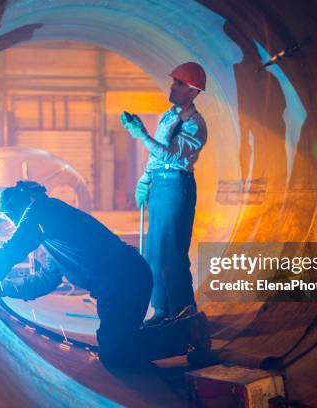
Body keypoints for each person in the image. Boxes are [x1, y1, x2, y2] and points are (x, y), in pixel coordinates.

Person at [0, 180, 211, 368]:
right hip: (120, 283)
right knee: (119, 343)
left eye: (9, 216)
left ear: (19, 207)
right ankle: (184, 325)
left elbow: (15, 245)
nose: (12, 223)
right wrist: (2, 287)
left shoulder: (43, 211)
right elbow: (43, 281)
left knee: (114, 355)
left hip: (124, 280)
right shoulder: (53, 239)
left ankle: (186, 331)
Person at [120, 62, 207, 325]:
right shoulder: (168, 116)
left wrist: (141, 135)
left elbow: (171, 155)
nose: (172, 86)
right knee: (155, 253)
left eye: (179, 83)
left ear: (192, 91)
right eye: (174, 81)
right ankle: (162, 310)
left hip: (175, 186)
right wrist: (145, 180)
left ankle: (184, 313)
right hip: (159, 185)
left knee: (172, 254)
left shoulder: (195, 124)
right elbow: (156, 156)